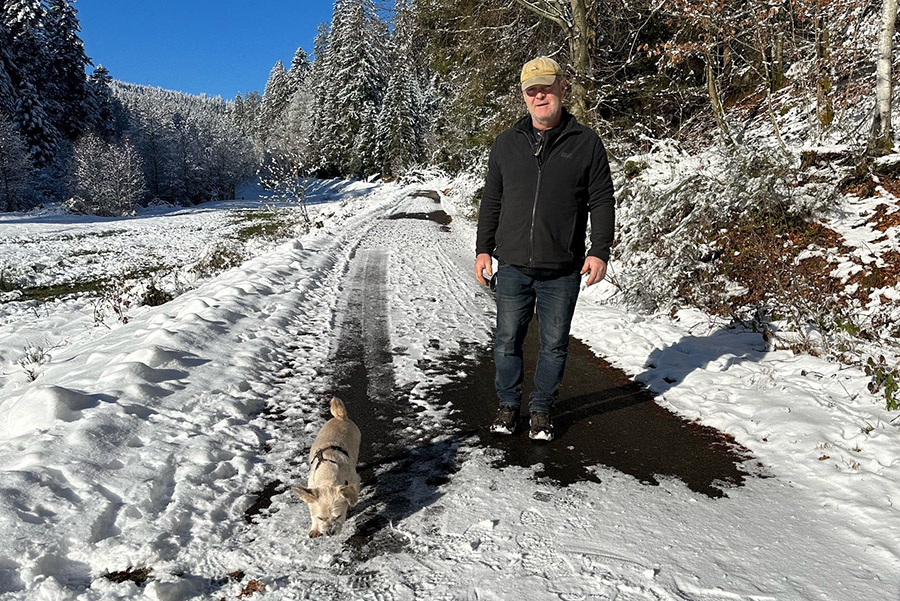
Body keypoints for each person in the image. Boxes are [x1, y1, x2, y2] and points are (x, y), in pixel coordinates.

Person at [474, 56, 615, 442]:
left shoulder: (586, 144)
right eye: (532, 91)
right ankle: (507, 406)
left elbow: (602, 200)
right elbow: (492, 201)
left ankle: (541, 411)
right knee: (506, 341)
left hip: (562, 268)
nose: (540, 96)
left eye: (546, 88)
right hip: (514, 265)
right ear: (524, 97)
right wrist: (483, 249)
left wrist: (599, 249)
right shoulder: (506, 144)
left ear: (562, 88)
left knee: (553, 346)